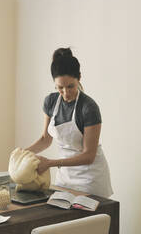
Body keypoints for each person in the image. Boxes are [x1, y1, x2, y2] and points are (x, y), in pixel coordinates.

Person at [25, 47, 113, 198]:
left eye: (70, 86)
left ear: (79, 78)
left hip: (89, 179)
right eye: (60, 87)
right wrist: (22, 154)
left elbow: (88, 156)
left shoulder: (88, 108)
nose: (66, 93)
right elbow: (45, 140)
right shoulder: (50, 102)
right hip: (64, 178)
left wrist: (51, 163)